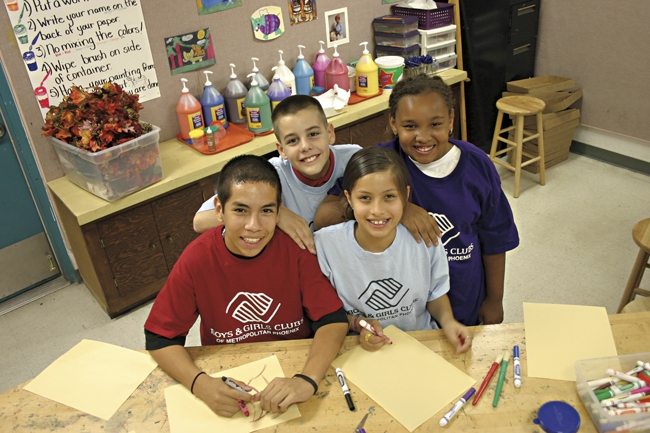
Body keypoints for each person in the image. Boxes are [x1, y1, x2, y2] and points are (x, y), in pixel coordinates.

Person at [145, 155, 348, 417]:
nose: (254, 226)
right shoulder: (197, 258)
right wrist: (200, 384)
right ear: (219, 210)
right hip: (226, 370)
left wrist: (307, 379)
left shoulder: (295, 250)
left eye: (266, 211)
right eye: (240, 210)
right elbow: (160, 337)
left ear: (278, 212)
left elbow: (332, 320)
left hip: (296, 363)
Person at [315, 75, 519, 326]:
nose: (423, 137)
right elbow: (324, 217)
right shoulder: (382, 162)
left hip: (464, 303)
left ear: (451, 120)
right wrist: (400, 208)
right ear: (393, 123)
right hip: (406, 313)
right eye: (410, 126)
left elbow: (496, 239)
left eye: (435, 124)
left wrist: (494, 300)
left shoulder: (478, 166)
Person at [314, 147, 471, 353]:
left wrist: (448, 322)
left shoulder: (425, 238)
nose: (377, 210)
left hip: (420, 343)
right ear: (349, 198)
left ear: (405, 196)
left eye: (389, 196)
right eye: (365, 198)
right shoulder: (325, 245)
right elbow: (324, 311)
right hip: (357, 351)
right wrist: (359, 325)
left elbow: (435, 294)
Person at [193, 95, 361, 253]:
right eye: (292, 140)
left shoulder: (354, 159)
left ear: (330, 133)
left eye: (313, 134)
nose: (305, 146)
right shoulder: (269, 176)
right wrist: (277, 214)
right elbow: (199, 221)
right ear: (282, 150)